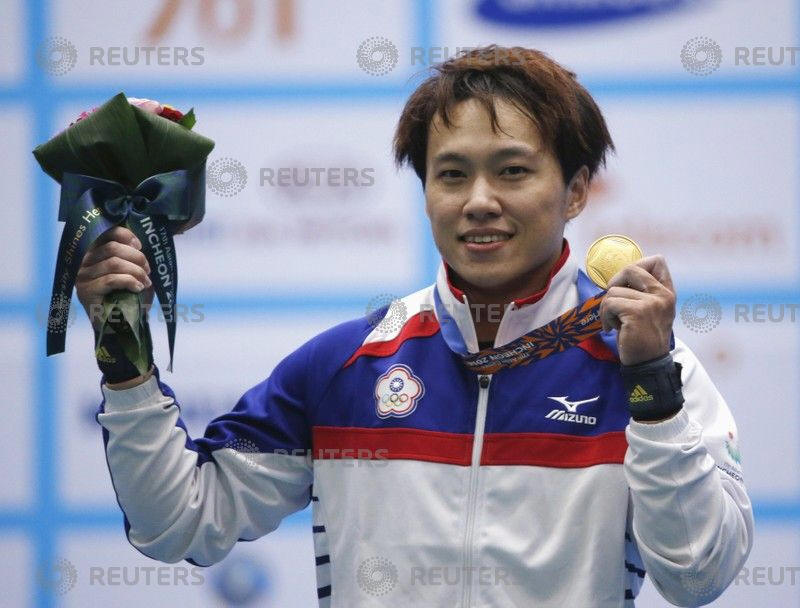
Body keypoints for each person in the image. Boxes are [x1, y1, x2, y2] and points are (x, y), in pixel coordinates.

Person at [76, 45, 753, 607]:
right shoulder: (346, 366)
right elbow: (179, 522)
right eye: (451, 174)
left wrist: (652, 390)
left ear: (576, 190)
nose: (479, 201)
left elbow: (697, 577)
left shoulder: (646, 367)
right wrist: (122, 346)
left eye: (513, 171)